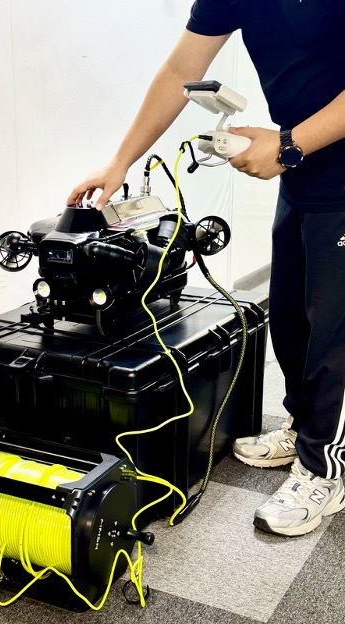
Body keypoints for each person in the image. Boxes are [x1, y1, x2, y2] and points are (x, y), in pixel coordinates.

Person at [67, 1, 345, 537]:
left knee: (336, 332)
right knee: (291, 315)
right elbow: (181, 69)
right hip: (305, 173)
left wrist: (289, 146)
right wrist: (120, 161)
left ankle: (324, 468)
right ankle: (304, 426)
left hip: (325, 163)